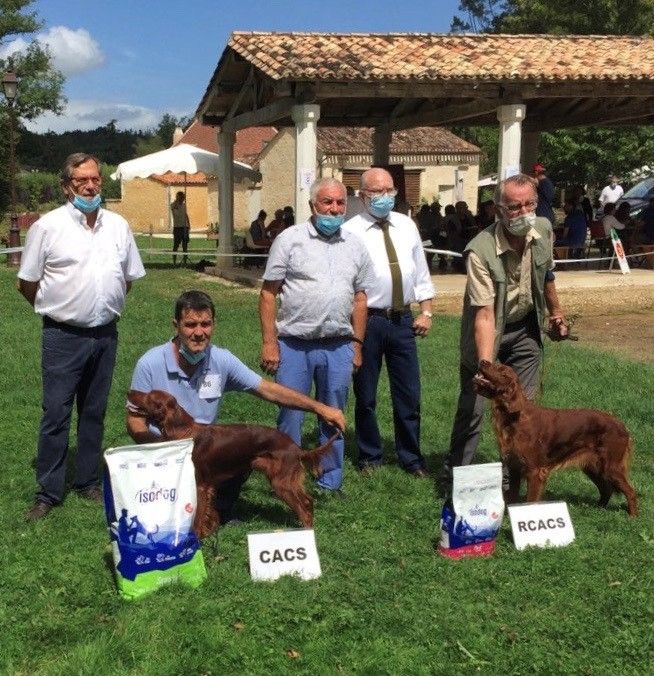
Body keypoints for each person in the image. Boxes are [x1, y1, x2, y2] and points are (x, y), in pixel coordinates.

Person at [127, 290, 346, 522]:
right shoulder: (150, 363)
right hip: (162, 455)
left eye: (206, 324)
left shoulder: (220, 360)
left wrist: (320, 408)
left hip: (204, 453)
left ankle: (217, 508)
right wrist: (166, 449)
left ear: (213, 324)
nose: (199, 333)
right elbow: (134, 421)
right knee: (166, 518)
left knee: (231, 453)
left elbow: (267, 389)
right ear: (176, 325)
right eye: (190, 325)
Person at [18, 152, 146, 521]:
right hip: (62, 336)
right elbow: (26, 283)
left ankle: (88, 480)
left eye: (95, 180)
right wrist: (61, 311)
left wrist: (104, 307)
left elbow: (127, 278)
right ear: (66, 187)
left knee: (94, 411)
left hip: (105, 335)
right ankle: (48, 491)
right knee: (55, 413)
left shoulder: (118, 226)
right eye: (81, 182)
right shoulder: (47, 227)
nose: (90, 187)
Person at [441, 173, 568, 491]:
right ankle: (457, 474)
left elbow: (547, 275)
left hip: (525, 328)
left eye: (530, 204)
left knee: (523, 409)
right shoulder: (478, 250)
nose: (524, 213)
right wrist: (486, 368)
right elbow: (484, 315)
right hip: (489, 333)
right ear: (497, 210)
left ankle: (513, 478)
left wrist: (556, 313)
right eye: (514, 207)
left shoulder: (543, 229)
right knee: (474, 407)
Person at [259, 178, 373, 492]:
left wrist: (357, 345)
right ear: (313, 206)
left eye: (339, 203)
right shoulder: (289, 239)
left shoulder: (354, 245)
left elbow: (360, 298)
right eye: (327, 202)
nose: (334, 209)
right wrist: (270, 342)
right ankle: (286, 479)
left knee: (333, 414)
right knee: (291, 414)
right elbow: (269, 293)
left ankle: (330, 480)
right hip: (294, 344)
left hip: (338, 345)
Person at [343, 167, 435, 477]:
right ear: (362, 196)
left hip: (403, 321)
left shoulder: (407, 225)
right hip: (368, 321)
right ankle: (370, 456)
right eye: (377, 192)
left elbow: (420, 271)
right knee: (366, 394)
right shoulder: (350, 231)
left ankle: (411, 458)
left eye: (390, 191)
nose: (385, 198)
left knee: (409, 394)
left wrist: (426, 311)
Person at [171, 191, 190, 266]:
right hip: (177, 227)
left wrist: (189, 224)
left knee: (185, 245)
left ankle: (185, 261)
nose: (183, 198)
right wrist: (177, 201)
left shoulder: (184, 205)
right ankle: (174, 262)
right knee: (176, 245)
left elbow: (186, 214)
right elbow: (176, 214)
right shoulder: (173, 205)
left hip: (185, 227)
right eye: (181, 197)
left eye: (183, 197)